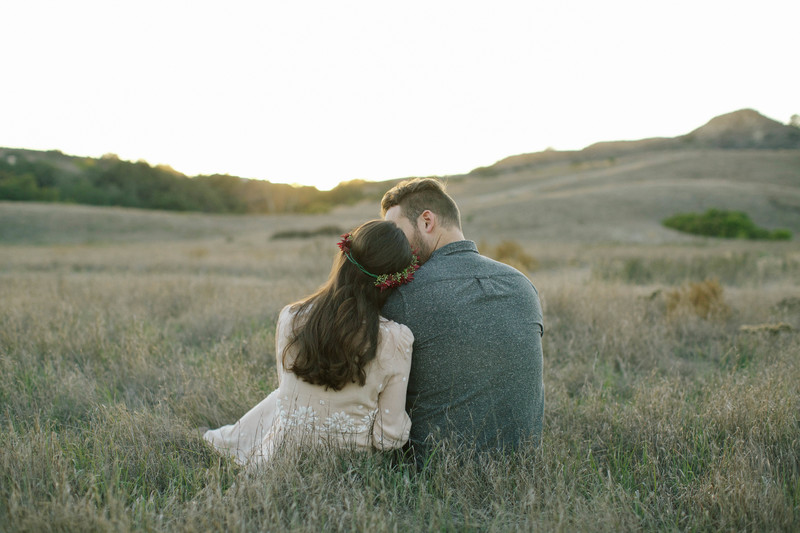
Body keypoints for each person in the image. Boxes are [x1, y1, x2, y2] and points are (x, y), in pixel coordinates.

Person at [203, 220, 419, 466]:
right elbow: (388, 439)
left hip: (278, 462)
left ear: (343, 260)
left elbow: (287, 396)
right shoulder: (396, 340)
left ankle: (226, 439)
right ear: (392, 283)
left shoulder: (291, 317)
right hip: (351, 473)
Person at [380, 178, 544, 457]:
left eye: (396, 232)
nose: (392, 245)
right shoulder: (522, 285)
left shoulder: (405, 294)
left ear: (427, 221)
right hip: (524, 465)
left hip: (433, 473)